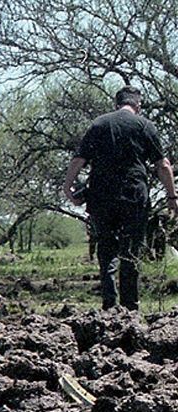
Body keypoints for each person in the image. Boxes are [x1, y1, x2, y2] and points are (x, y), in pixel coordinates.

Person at [62, 85, 178, 310]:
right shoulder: (145, 126)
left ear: (116, 104)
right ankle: (130, 309)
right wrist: (172, 196)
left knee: (106, 251)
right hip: (134, 196)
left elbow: (79, 159)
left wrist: (68, 186)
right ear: (138, 105)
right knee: (131, 252)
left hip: (101, 196)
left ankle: (109, 306)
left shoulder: (99, 124)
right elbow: (162, 165)